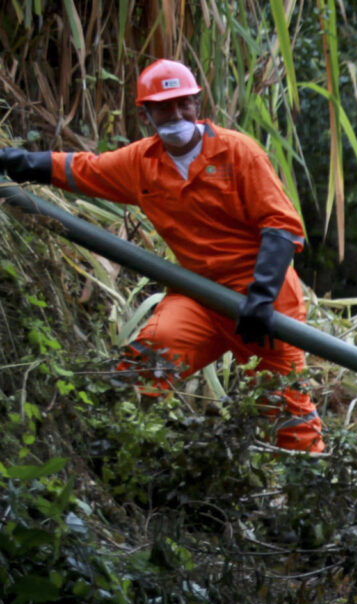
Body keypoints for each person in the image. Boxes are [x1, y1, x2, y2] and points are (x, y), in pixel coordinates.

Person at [2, 60, 324, 452]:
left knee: (289, 412)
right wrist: (13, 161)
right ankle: (117, 456)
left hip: (265, 304)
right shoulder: (141, 162)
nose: (176, 114)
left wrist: (260, 296)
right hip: (199, 296)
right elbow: (81, 169)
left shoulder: (238, 152)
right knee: (144, 365)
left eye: (183, 104)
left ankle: (305, 489)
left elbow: (282, 226)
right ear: (146, 114)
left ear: (196, 103)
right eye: (163, 107)